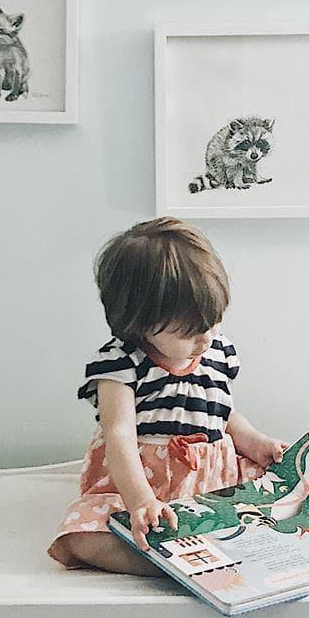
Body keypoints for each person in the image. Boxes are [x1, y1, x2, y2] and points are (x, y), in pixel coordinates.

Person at [48, 217, 288, 574]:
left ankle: (222, 542)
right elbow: (119, 434)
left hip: (213, 481)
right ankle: (165, 564)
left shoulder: (216, 352)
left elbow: (221, 412)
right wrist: (140, 498)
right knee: (82, 535)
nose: (205, 338)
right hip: (144, 482)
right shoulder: (121, 364)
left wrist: (252, 439)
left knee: (283, 495)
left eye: (214, 321)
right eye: (190, 331)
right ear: (139, 322)